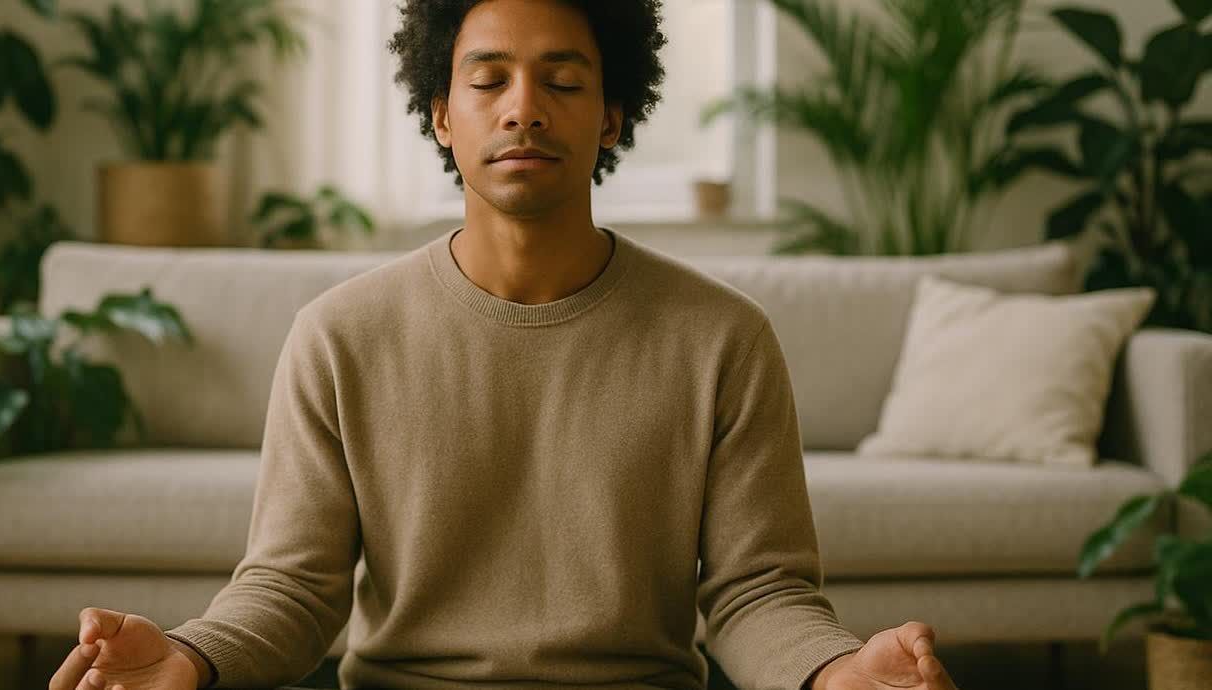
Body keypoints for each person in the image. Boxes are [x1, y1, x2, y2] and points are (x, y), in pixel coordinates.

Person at [51, 1, 962, 688]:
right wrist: (191, 658)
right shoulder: (339, 336)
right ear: (442, 115)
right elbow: (294, 586)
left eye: (563, 82)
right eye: (489, 81)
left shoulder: (722, 338)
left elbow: (756, 590)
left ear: (611, 116)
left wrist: (834, 673)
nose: (524, 108)